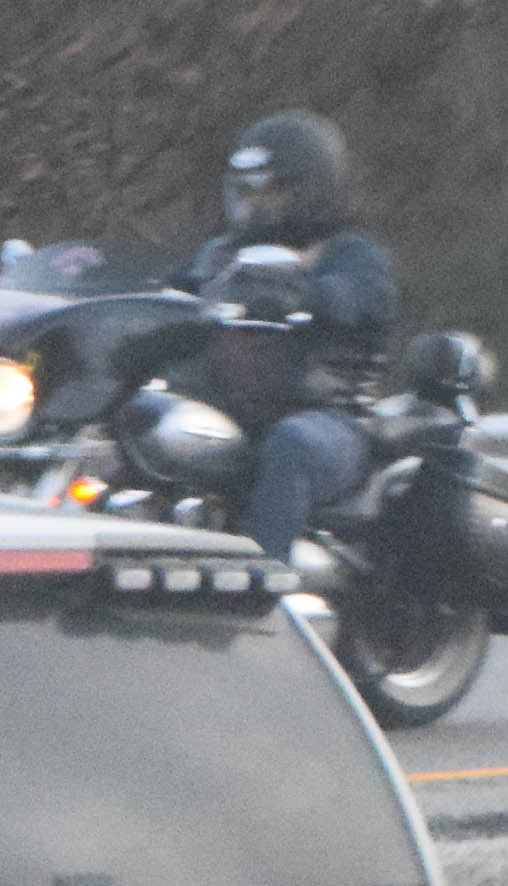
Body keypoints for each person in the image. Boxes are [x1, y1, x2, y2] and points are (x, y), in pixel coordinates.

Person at [169, 111, 397, 562]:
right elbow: (164, 299)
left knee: (291, 443)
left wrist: (301, 295)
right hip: (227, 416)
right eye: (246, 192)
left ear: (310, 190)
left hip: (332, 421)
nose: (255, 206)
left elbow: (358, 301)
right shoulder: (217, 257)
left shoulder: (351, 254)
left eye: (271, 192)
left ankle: (259, 575)